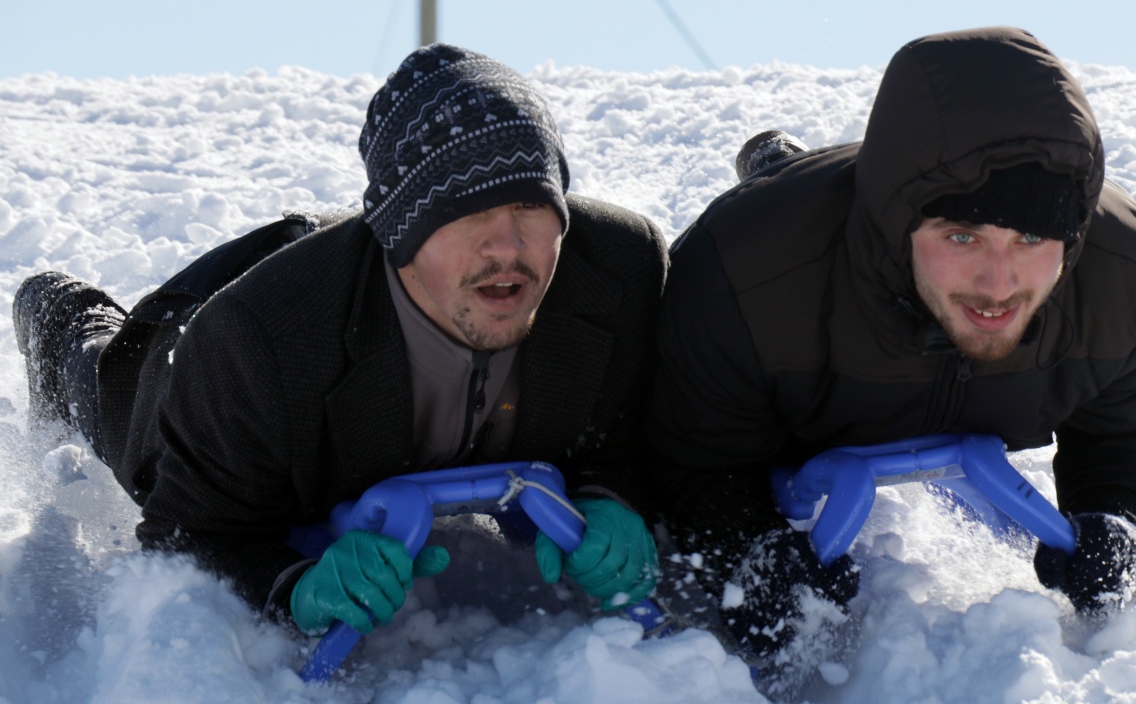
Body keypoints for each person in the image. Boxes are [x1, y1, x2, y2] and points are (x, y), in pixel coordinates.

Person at [13, 44, 668, 639]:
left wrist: (613, 501)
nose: (507, 247)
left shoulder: (618, 267)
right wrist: (293, 588)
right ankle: (56, 312)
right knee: (106, 381)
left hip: (345, 273)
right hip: (217, 335)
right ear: (405, 229)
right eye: (468, 213)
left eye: (530, 208)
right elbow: (190, 532)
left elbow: (628, 434)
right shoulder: (254, 344)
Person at [646, 27, 1136, 672]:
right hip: (811, 289)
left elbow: (1133, 422)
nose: (997, 284)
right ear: (897, 221)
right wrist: (744, 548)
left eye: (1031, 239)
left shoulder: (1125, 275)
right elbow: (687, 453)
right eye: (961, 237)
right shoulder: (742, 274)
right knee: (793, 213)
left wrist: (1117, 513)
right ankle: (781, 167)